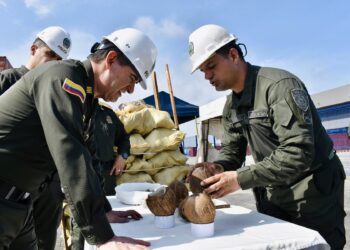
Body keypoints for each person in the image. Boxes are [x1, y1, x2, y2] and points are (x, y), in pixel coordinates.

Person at [188, 24, 346, 249]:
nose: (207, 76)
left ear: (233, 55)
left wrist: (240, 179)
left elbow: (298, 152)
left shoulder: (279, 86)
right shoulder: (231, 106)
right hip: (272, 194)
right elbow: (232, 153)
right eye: (203, 71)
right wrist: (218, 168)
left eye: (211, 66)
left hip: (312, 195)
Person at [0, 27, 157, 249]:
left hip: (19, 204)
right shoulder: (65, 77)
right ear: (111, 59)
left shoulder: (86, 100)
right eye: (132, 78)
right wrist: (103, 236)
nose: (131, 90)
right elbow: (70, 153)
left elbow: (88, 160)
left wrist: (103, 212)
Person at [0, 26, 71, 250]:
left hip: (46, 186)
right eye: (50, 55)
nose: (53, 64)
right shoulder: (8, 79)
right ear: (33, 49)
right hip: (10, 188)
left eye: (59, 60)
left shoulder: (55, 91)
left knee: (45, 241)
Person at [70, 100, 133, 250]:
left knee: (109, 215)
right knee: (82, 219)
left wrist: (123, 156)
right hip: (82, 173)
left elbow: (124, 138)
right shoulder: (76, 108)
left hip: (107, 172)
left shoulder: (108, 114)